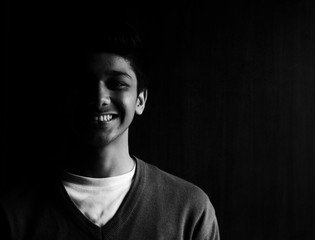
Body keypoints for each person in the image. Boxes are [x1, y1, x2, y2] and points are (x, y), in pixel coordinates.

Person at [0, 22, 220, 239]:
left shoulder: (189, 209)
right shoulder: (14, 213)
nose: (99, 99)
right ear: (64, 97)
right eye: (83, 83)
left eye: (117, 83)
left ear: (140, 99)